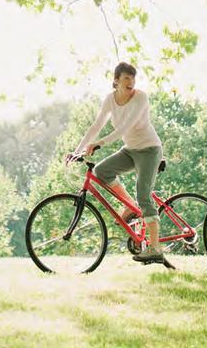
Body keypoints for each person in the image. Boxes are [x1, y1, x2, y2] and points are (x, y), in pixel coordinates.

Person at [72, 62, 164, 264]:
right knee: (101, 171)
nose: (131, 82)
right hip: (130, 150)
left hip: (149, 150)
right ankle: (130, 206)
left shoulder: (140, 97)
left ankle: (156, 248)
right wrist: (77, 151)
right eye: (126, 78)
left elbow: (124, 127)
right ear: (116, 81)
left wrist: (100, 144)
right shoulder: (110, 100)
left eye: (133, 78)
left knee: (143, 193)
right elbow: (97, 125)